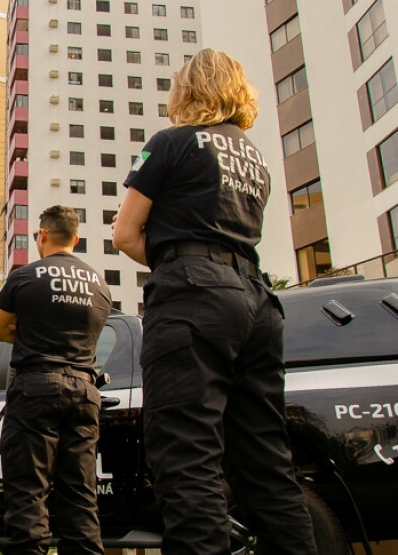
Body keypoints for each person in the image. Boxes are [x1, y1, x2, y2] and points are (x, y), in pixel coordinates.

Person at [112, 48, 317, 554]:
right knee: (266, 462)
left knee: (187, 456)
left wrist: (173, 262)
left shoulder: (171, 143)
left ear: (188, 89)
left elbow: (125, 233)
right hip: (258, 300)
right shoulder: (257, 159)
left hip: (194, 296)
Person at [0, 205, 112, 555]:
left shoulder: (25, 277)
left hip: (37, 388)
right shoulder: (100, 285)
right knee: (80, 495)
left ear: (42, 235)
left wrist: (32, 331)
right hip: (85, 391)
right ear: (76, 238)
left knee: (28, 492)